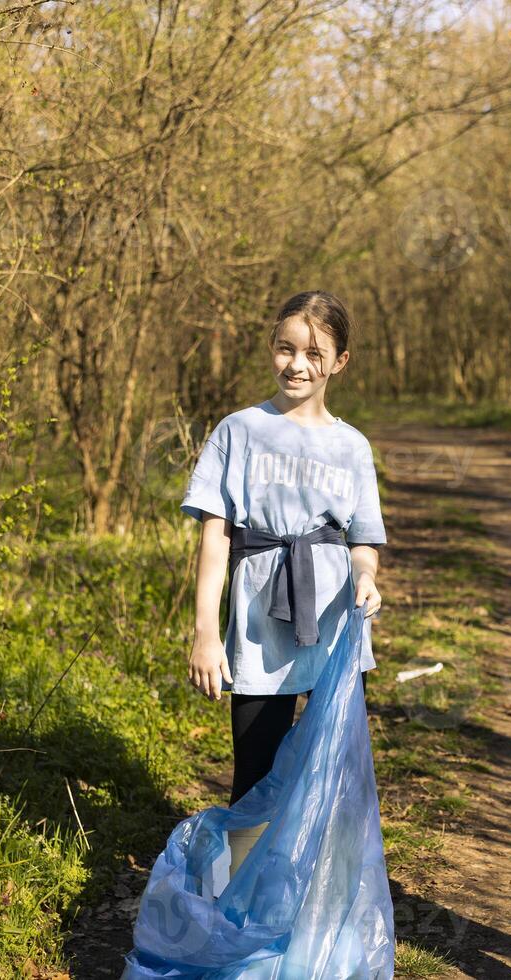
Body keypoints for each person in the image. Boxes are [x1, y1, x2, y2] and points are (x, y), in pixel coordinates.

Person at [180, 290, 386, 882]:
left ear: (339, 362)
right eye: (285, 349)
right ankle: (246, 895)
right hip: (258, 624)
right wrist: (205, 633)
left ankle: (322, 894)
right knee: (256, 767)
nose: (297, 365)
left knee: (332, 767)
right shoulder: (239, 431)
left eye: (314, 353)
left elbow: (363, 539)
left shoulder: (352, 446)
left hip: (333, 624)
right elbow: (215, 537)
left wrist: (366, 578)